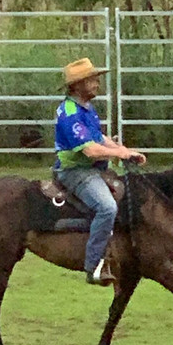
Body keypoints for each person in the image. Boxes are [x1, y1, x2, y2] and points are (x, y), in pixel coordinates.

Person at [53, 57, 147, 286]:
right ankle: (94, 264)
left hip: (92, 171)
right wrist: (120, 154)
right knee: (106, 207)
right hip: (76, 172)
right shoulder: (70, 113)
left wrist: (124, 150)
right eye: (91, 79)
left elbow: (99, 138)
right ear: (77, 85)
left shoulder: (86, 109)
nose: (97, 83)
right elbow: (91, 150)